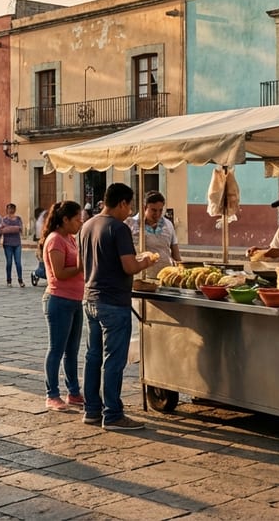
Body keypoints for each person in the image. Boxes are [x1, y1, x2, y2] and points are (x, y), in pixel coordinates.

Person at [80, 183, 158, 430]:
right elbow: (129, 267)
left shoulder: (87, 225)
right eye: (130, 205)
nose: (130, 210)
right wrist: (145, 261)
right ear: (122, 203)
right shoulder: (118, 228)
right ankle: (113, 414)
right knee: (114, 359)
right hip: (114, 302)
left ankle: (92, 409)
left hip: (90, 298)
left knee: (93, 356)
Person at [41, 201, 86, 412]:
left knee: (72, 350)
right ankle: (52, 395)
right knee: (56, 349)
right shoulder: (55, 240)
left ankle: (74, 392)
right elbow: (59, 273)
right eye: (77, 219)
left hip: (76, 300)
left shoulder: (71, 239)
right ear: (65, 220)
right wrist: (81, 266)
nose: (80, 222)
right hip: (59, 300)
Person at [136, 191, 183, 279]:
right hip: (142, 277)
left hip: (165, 277)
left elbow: (175, 253)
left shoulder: (168, 225)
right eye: (153, 210)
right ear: (144, 208)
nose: (157, 214)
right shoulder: (132, 225)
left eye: (160, 210)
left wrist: (180, 270)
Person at [0, 203, 25, 287]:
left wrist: (8, 228)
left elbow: (20, 229)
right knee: (9, 262)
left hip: (17, 243)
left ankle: (20, 280)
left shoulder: (18, 219)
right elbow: (2, 231)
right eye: (9, 208)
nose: (11, 210)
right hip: (7, 244)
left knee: (18, 262)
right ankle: (9, 280)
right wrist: (15, 228)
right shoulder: (4, 219)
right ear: (7, 210)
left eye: (12, 208)